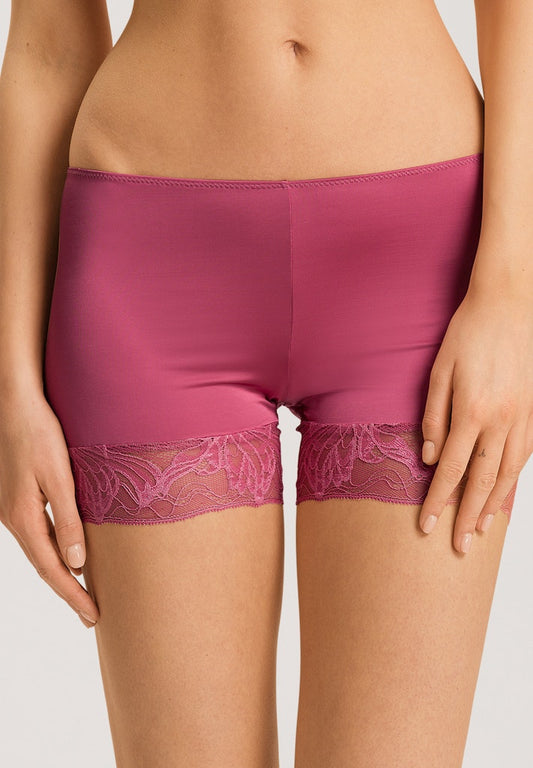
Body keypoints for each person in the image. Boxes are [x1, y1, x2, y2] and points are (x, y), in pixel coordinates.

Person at [0, 1, 531, 766]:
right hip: (148, 278)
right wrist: (12, 381)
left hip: (421, 270)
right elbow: (48, 45)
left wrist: (511, 296)